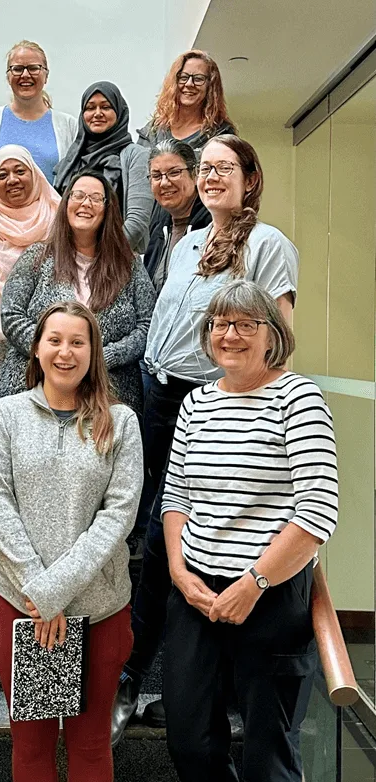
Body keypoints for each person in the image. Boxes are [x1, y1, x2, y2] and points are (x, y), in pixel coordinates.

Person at [111, 135, 300, 743]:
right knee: (145, 530)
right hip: (157, 395)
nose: (213, 176)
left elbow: (276, 340)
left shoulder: (264, 245)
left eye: (224, 168)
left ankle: (142, 680)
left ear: (250, 178)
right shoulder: (188, 242)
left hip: (205, 402)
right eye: (207, 167)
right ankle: (154, 684)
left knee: (164, 537)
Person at [162, 279, 338, 782]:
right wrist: (179, 572)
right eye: (219, 324)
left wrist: (254, 583)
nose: (229, 334)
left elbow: (317, 509)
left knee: (269, 748)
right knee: (189, 738)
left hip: (270, 596)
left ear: (272, 335)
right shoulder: (197, 402)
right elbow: (175, 497)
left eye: (244, 324)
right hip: (196, 595)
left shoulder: (298, 398)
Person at [0, 301, 143, 782]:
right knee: (33, 743)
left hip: (97, 611)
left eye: (79, 342)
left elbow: (118, 517)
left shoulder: (119, 423)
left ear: (94, 353)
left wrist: (56, 594)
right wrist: (39, 594)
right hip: (21, 608)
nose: (66, 352)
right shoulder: (6, 416)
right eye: (55, 340)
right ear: (37, 348)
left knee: (90, 743)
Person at [0, 170, 155, 414]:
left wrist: (105, 356)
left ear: (108, 208)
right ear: (66, 203)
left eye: (95, 198)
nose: (85, 203)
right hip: (34, 386)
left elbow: (147, 325)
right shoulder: (37, 257)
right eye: (78, 195)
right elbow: (11, 315)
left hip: (109, 391)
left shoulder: (129, 264)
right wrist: (51, 352)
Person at [0, 144, 60, 431]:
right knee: (1, 428)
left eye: (20, 171)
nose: (12, 180)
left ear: (35, 174)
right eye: (2, 175)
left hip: (51, 344)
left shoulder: (57, 220)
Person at [53, 82, 152, 252]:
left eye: (106, 107)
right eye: (90, 108)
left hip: (119, 257)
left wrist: (101, 257)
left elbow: (137, 220)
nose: (97, 113)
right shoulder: (73, 159)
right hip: (70, 258)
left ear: (119, 112)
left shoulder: (135, 155)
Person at [0, 40, 77, 184]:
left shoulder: (69, 126)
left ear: (46, 75)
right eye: (18, 69)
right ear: (8, 76)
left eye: (34, 68)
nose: (25, 75)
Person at [144, 139, 211, 295]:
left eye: (174, 173)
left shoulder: (212, 226)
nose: (164, 183)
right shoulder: (158, 229)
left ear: (195, 175)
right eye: (156, 176)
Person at [137, 50, 236, 154]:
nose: (189, 84)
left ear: (210, 86)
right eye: (183, 77)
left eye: (198, 79)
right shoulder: (152, 132)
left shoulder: (222, 135)